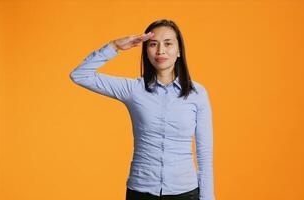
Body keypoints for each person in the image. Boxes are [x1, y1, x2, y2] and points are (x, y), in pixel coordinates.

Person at [69, 19, 215, 200]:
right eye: (153, 44)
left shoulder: (197, 94)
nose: (161, 50)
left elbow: (204, 153)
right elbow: (79, 75)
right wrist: (114, 46)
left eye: (168, 44)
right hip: (141, 191)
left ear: (179, 51)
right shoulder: (133, 89)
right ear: (146, 51)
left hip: (185, 192)